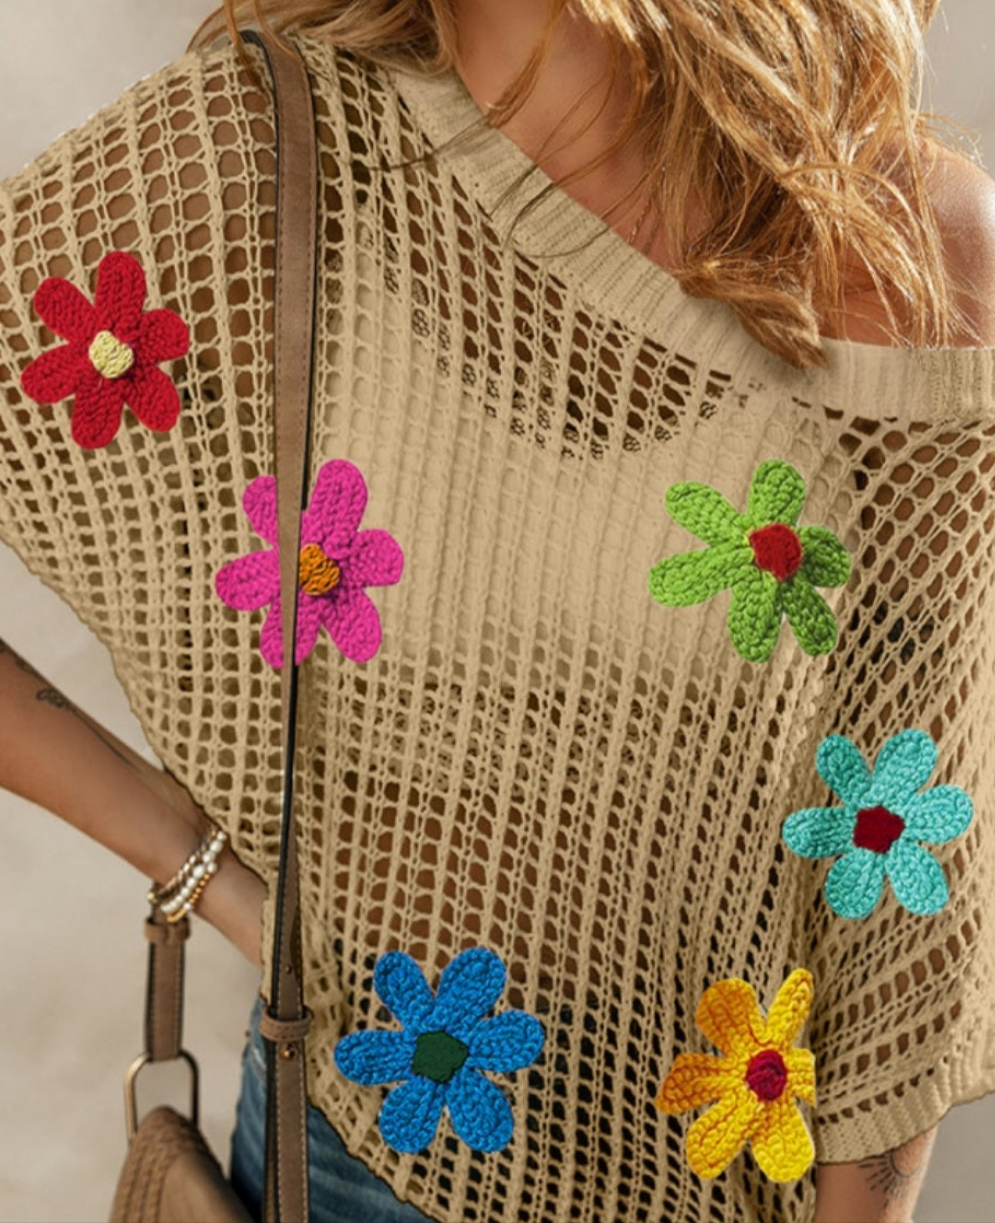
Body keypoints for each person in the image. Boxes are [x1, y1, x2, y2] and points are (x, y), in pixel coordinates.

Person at [1, 0, 995, 1220]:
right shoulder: (267, 143)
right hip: (366, 1143)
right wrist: (198, 864)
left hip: (736, 1164)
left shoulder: (896, 236)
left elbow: (903, 857)